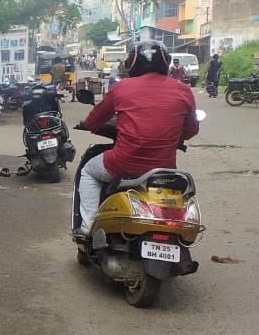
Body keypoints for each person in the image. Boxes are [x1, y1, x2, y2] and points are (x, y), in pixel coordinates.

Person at [74, 40, 199, 236]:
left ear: (132, 64)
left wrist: (87, 125)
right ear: (165, 63)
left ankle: (88, 227)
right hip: (164, 168)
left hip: (123, 163)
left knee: (88, 172)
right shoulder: (183, 90)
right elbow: (191, 130)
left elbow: (94, 120)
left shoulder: (122, 87)